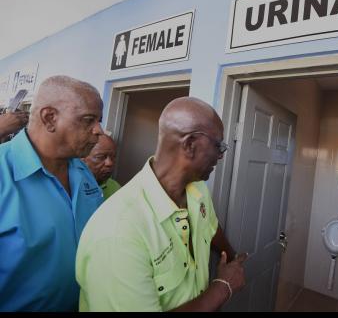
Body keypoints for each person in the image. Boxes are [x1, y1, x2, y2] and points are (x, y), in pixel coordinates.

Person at [76, 96, 247, 312]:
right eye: (218, 146)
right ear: (190, 144)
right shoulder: (118, 231)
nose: (221, 156)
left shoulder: (198, 190)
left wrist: (232, 257)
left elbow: (210, 227)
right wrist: (223, 287)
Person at [0, 75, 105, 311]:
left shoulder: (82, 171)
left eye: (99, 120)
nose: (99, 130)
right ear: (49, 118)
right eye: (88, 120)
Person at [82, 133, 121, 200]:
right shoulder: (71, 186)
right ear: (82, 158)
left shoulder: (115, 187)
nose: (109, 163)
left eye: (113, 157)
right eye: (100, 157)